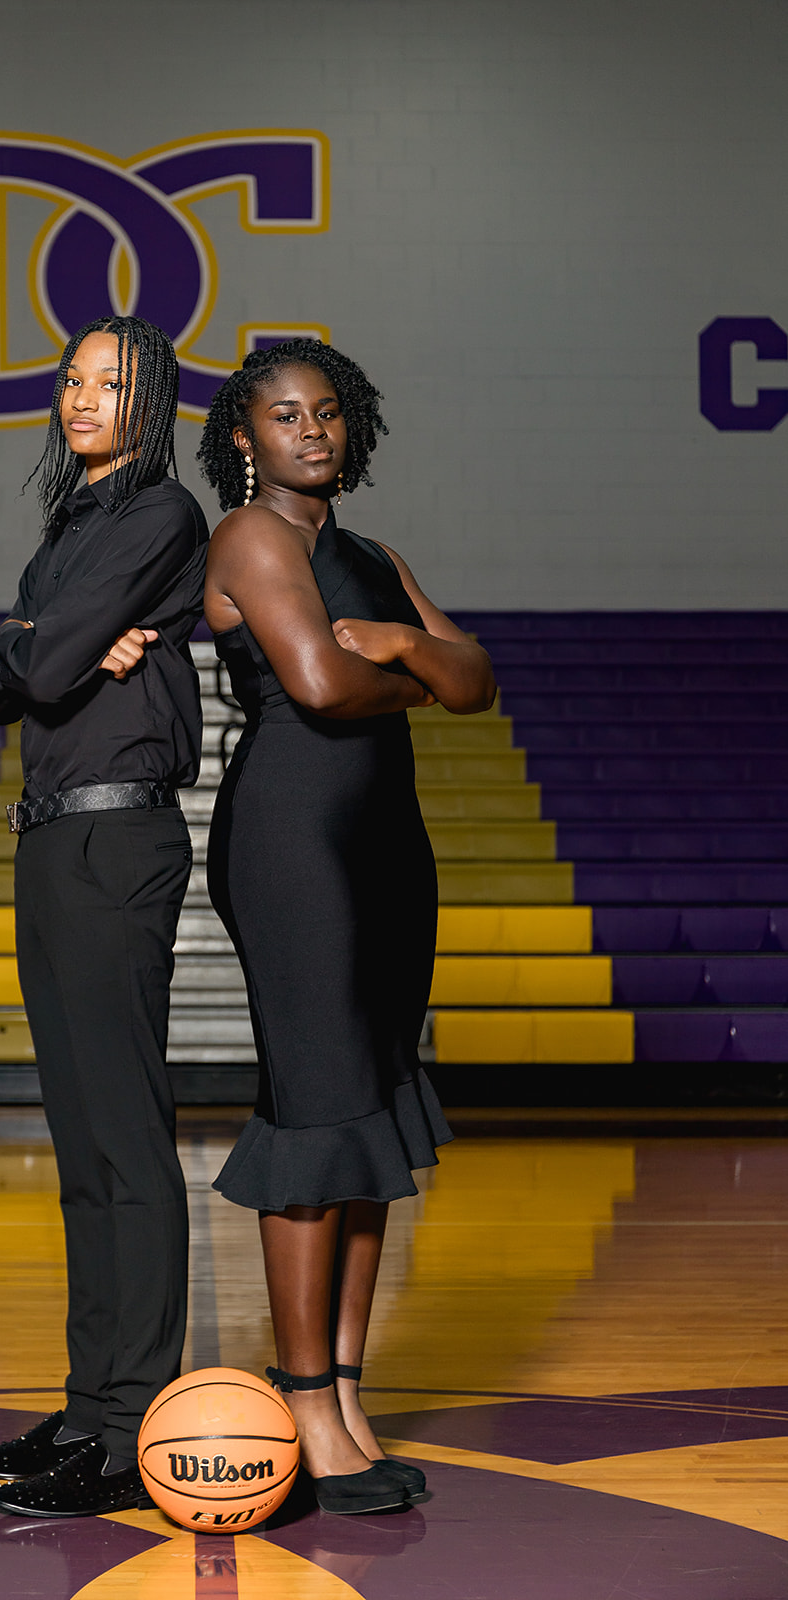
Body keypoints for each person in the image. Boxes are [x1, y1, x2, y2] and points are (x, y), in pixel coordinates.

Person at [196, 340, 496, 1516]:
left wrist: (411, 649)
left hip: (388, 849)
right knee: (319, 1116)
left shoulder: (373, 555)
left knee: (368, 1124)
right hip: (291, 843)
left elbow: (477, 679)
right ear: (245, 435)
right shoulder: (250, 538)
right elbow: (318, 685)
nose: (310, 431)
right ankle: (303, 1399)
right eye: (285, 414)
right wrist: (412, 672)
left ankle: (348, 1394)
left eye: (326, 413)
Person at [0, 316, 209, 1518]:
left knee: (126, 1137)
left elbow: (37, 672)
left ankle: (128, 1429)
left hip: (117, 834)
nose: (83, 397)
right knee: (77, 1148)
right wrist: (34, 647)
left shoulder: (164, 515)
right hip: (51, 833)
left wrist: (36, 652)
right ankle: (85, 1401)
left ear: (151, 399)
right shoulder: (71, 527)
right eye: (71, 379)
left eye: (111, 383)